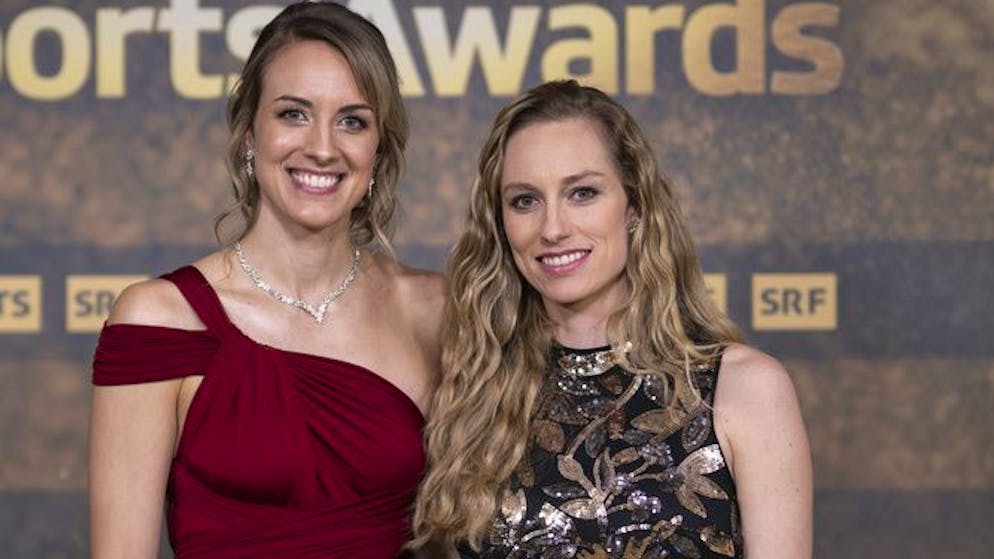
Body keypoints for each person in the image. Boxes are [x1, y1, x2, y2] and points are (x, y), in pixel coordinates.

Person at [88, 3, 443, 557]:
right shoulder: (159, 320)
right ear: (249, 133)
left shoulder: (434, 307)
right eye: (293, 114)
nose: (323, 147)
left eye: (353, 119)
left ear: (378, 149)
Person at [413, 80, 811, 558]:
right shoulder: (471, 396)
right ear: (501, 225)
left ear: (635, 206)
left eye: (582, 193)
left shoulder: (744, 388)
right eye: (525, 200)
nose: (553, 228)